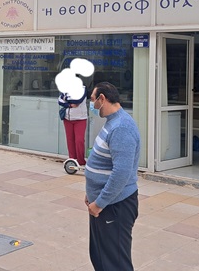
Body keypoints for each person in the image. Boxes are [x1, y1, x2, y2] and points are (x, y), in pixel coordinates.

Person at [84, 82, 140, 271]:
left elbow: (121, 173)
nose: (92, 105)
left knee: (115, 263)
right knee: (101, 258)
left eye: (93, 100)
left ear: (102, 98)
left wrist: (99, 203)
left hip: (115, 206)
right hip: (102, 204)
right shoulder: (112, 122)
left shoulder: (122, 127)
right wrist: (91, 193)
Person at [58, 88, 88, 166]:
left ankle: (81, 161)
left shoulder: (82, 88)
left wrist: (66, 99)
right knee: (70, 140)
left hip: (80, 119)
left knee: (79, 140)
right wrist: (69, 104)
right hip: (67, 119)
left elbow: (77, 100)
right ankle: (72, 160)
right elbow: (60, 101)